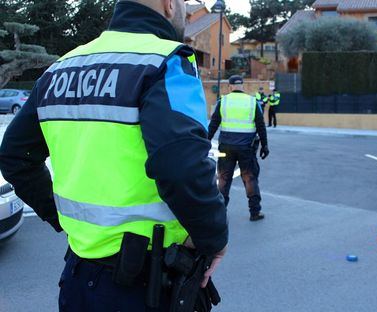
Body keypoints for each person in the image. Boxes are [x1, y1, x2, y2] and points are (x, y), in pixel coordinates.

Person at [0, 0, 228, 311]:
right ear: (168, 4)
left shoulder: (60, 68)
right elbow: (180, 165)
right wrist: (213, 237)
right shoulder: (166, 60)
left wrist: (65, 218)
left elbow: (15, 156)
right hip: (144, 285)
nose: (187, 13)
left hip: (78, 278)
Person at [208, 75, 268, 222]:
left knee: (223, 178)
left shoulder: (223, 101)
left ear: (230, 87)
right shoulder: (252, 102)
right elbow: (261, 125)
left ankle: (220, 212)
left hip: (226, 147)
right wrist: (265, 145)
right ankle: (255, 212)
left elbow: (213, 125)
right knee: (250, 178)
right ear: (242, 86)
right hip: (246, 147)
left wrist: (205, 141)